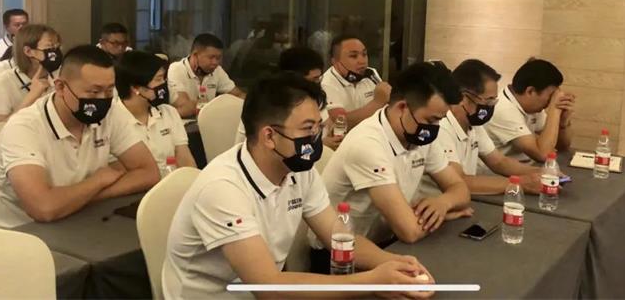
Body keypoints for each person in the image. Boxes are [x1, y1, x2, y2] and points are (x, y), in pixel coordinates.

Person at [163, 72, 434, 299]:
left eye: (318, 128)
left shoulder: (298, 170)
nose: (316, 138)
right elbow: (268, 287)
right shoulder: (223, 188)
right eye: (307, 129)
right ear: (269, 136)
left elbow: (340, 239)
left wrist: (395, 264)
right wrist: (371, 281)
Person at [0, 45, 160, 229]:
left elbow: (149, 173)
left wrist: (84, 196)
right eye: (93, 91)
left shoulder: (111, 112)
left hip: (76, 219)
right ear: (60, 87)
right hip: (14, 234)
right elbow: (43, 208)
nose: (102, 99)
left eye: (109, 90)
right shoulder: (23, 127)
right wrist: (98, 181)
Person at [312, 61, 471, 270]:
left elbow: (460, 189)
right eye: (431, 120)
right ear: (402, 108)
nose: (434, 128)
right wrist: (448, 215)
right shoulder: (368, 144)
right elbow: (409, 231)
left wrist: (443, 203)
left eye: (439, 121)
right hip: (340, 255)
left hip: (390, 243)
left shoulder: (420, 135)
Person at [418, 59, 543, 198]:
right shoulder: (441, 127)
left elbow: (499, 161)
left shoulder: (472, 124)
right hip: (435, 203)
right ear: (464, 98)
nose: (491, 107)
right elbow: (460, 181)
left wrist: (541, 173)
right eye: (488, 101)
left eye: (494, 101)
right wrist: (520, 183)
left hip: (461, 201)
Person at [234, 46, 345, 149]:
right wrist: (321, 146)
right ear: (294, 78)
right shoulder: (267, 103)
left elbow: (328, 125)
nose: (318, 85)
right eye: (314, 79)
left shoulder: (312, 99)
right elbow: (280, 149)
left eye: (319, 79)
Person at [115, 51, 196, 172]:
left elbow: (185, 160)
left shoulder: (168, 112)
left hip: (173, 180)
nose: (163, 84)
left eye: (164, 78)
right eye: (158, 79)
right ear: (136, 88)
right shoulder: (113, 121)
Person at [484, 58, 575, 163]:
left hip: (526, 168)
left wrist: (563, 124)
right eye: (551, 96)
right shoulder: (503, 109)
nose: (550, 101)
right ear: (530, 91)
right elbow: (543, 155)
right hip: (503, 172)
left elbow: (562, 147)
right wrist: (555, 110)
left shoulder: (532, 106)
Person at [0, 24, 62, 122]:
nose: (56, 52)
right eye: (50, 47)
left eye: (57, 47)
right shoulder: (3, 82)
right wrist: (32, 96)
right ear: (28, 51)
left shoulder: (61, 76)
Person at [320, 35, 391, 130]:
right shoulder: (326, 83)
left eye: (364, 54)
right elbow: (338, 124)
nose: (362, 61)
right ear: (335, 61)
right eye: (353, 56)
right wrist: (377, 103)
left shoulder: (371, 73)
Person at [167, 33, 244, 118]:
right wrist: (219, 105)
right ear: (195, 55)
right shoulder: (176, 69)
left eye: (218, 58)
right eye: (211, 57)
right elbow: (185, 107)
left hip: (208, 120)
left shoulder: (217, 70)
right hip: (183, 123)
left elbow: (239, 95)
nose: (215, 62)